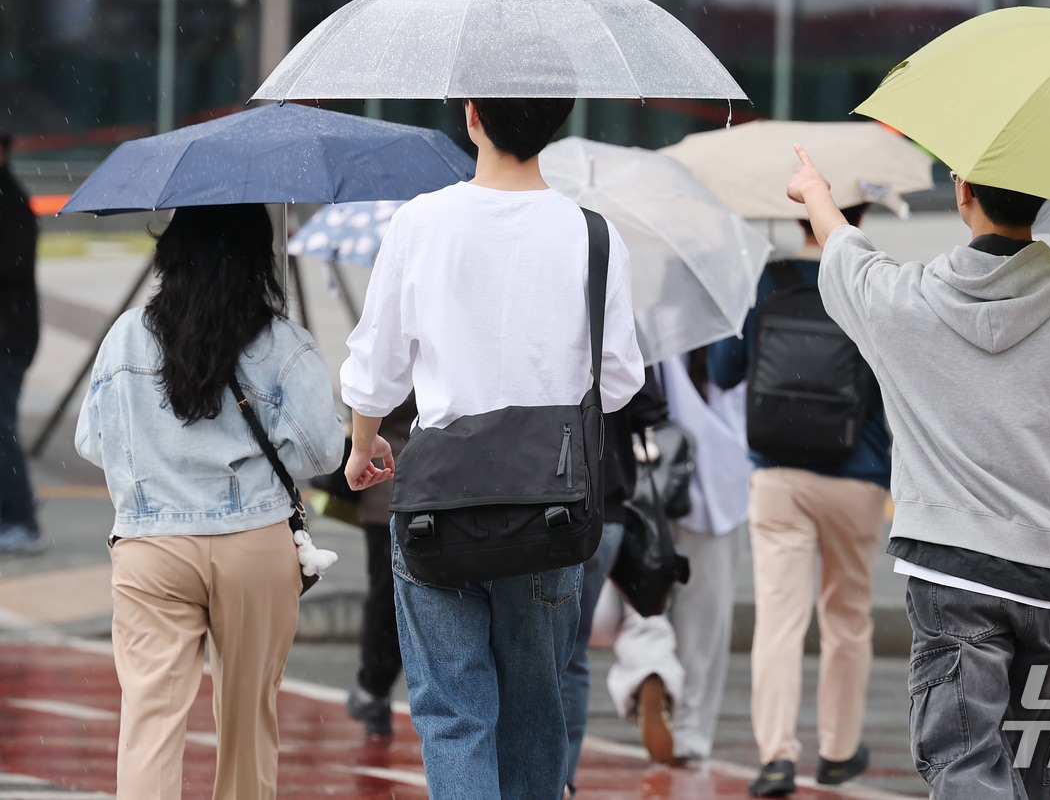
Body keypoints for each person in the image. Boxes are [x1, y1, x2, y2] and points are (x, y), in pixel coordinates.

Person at [787, 148, 1050, 799]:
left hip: (949, 569)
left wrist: (817, 192)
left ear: (962, 193)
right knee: (1031, 774)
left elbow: (845, 252)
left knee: (964, 765)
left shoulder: (901, 301)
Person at [339, 96, 645, 799]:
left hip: (437, 500)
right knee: (536, 714)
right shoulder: (593, 235)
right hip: (551, 504)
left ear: (472, 116)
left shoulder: (419, 223)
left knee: (453, 716)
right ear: (556, 122)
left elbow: (376, 365)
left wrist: (363, 447)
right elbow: (622, 381)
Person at [74, 204, 345, 799]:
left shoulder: (125, 336)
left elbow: (92, 441)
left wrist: (161, 459)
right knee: (249, 724)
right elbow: (321, 453)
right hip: (254, 547)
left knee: (149, 723)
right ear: (257, 259)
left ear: (172, 252)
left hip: (152, 549)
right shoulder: (283, 344)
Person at [709, 205, 893, 797]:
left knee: (780, 621)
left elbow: (724, 369)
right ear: (859, 214)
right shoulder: (874, 280)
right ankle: (838, 752)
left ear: (798, 217)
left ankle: (776, 757)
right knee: (846, 617)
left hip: (778, 472)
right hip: (857, 472)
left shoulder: (769, 279)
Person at [605, 349, 753, 763]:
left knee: (641, 599)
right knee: (705, 618)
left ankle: (651, 668)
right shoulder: (723, 311)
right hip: (720, 474)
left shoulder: (646, 308)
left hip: (652, 469)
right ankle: (688, 734)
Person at [562, 367, 672, 795]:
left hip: (541, 499)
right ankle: (562, 779)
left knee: (518, 652)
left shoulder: (520, 305)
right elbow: (650, 408)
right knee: (571, 652)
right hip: (605, 505)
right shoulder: (609, 306)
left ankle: (517, 772)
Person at [343, 395, 416, 737]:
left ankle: (374, 689)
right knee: (388, 599)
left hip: (395, 483)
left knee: (390, 599)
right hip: (389, 487)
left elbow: (368, 394)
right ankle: (375, 688)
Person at [0, 133, 42, 554]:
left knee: (1, 427)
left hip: (9, 338)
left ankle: (20, 518)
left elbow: (11, 268)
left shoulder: (12, 203)